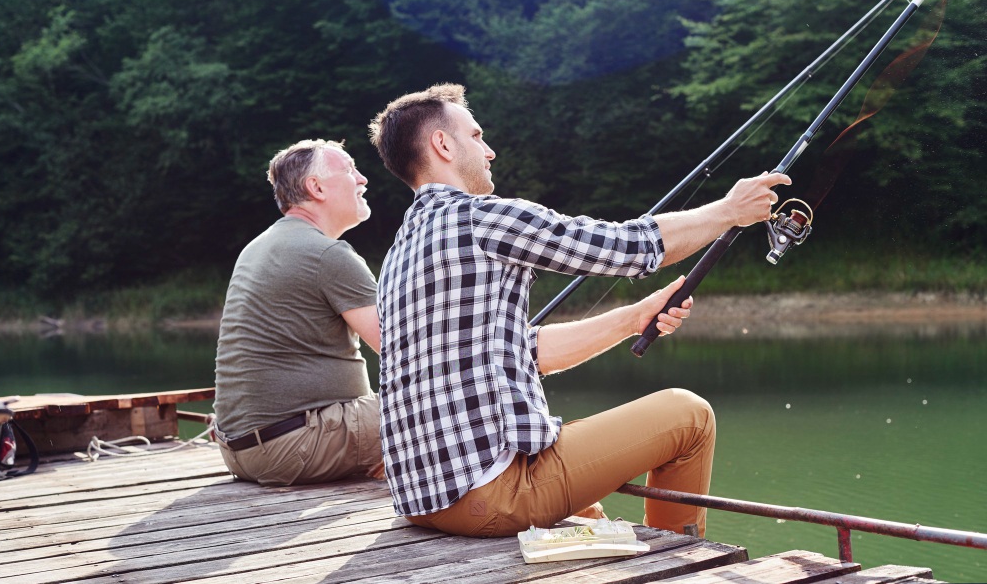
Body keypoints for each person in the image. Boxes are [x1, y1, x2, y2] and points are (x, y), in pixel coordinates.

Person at [368, 84, 790, 538]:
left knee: (589, 510)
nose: (488, 151)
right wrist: (728, 211)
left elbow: (522, 350)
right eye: (476, 137)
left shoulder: (400, 253)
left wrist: (634, 317)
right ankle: (682, 560)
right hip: (488, 495)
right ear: (443, 145)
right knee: (690, 415)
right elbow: (630, 248)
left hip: (422, 502)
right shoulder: (480, 218)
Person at [213, 139, 384, 486]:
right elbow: (406, 351)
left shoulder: (257, 247)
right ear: (316, 187)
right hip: (291, 446)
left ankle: (376, 454)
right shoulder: (328, 254)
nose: (363, 179)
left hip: (239, 452)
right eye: (350, 170)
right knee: (444, 398)